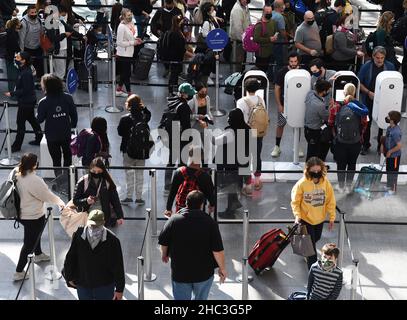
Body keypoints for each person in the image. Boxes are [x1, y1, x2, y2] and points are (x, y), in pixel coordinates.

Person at [159, 190, 226, 300]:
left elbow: (164, 242)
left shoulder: (174, 220)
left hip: (180, 273)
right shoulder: (210, 222)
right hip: (204, 274)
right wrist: (222, 268)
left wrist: (164, 254)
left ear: (186, 202)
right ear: (202, 204)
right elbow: (217, 250)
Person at [12, 153, 65, 281]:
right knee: (28, 244)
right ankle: (19, 271)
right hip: (33, 215)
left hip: (21, 213)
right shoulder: (34, 180)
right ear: (34, 165)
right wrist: (61, 202)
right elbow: (46, 195)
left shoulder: (16, 172)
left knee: (35, 234)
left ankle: (38, 254)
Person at [63, 209, 125, 300]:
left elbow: (118, 266)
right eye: (92, 225)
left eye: (97, 225)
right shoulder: (78, 235)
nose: (94, 227)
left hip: (104, 286)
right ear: (87, 221)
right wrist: (69, 277)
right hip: (83, 285)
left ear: (103, 222)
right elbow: (71, 257)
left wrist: (119, 289)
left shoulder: (113, 240)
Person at [291, 157, 336, 270]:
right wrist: (297, 216)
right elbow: (295, 202)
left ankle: (306, 251)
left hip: (320, 219)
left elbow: (330, 200)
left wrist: (332, 217)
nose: (316, 173)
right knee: (312, 251)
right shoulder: (302, 184)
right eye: (313, 171)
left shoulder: (326, 183)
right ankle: (314, 272)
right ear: (308, 170)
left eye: (318, 170)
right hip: (305, 220)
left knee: (316, 238)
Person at [328, 83, 368, 192]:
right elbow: (365, 123)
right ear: (354, 92)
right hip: (356, 142)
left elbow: (330, 123)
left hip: (340, 142)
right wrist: (360, 135)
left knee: (341, 164)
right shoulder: (359, 107)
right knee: (352, 164)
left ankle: (341, 186)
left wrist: (335, 135)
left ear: (344, 92)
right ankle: (349, 186)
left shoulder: (337, 106)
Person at [37, 74, 77, 176]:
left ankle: (59, 181)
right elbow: (74, 115)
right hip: (66, 133)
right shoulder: (68, 97)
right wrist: (71, 127)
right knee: (68, 157)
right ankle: (67, 179)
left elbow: (39, 120)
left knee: (56, 160)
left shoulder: (43, 102)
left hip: (52, 135)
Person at [358, 46, 395, 155]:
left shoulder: (390, 66)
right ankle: (365, 144)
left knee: (383, 123)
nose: (379, 60)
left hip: (384, 100)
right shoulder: (366, 67)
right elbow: (359, 83)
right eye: (377, 57)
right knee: (366, 123)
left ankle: (381, 146)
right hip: (369, 98)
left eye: (382, 58)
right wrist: (369, 92)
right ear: (373, 57)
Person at [214, 108, 251, 216]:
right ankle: (234, 204)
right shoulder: (247, 129)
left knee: (230, 186)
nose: (228, 118)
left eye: (230, 117)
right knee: (235, 185)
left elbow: (216, 141)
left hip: (230, 164)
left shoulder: (231, 133)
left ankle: (230, 211)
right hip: (241, 163)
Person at [4, 51, 43, 152]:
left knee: (20, 123)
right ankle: (39, 138)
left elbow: (26, 89)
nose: (15, 59)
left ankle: (16, 146)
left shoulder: (25, 73)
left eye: (17, 57)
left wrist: (12, 93)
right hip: (28, 100)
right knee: (32, 120)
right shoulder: (23, 70)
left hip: (26, 102)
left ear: (23, 60)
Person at [117, 94, 152, 205]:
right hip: (141, 151)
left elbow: (120, 133)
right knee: (140, 175)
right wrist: (143, 108)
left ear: (129, 105)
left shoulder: (125, 118)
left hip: (128, 150)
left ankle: (128, 196)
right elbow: (149, 114)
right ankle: (139, 197)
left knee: (129, 175)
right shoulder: (144, 117)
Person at [159, 83, 193, 192]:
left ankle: (167, 185)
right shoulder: (184, 107)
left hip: (172, 136)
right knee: (182, 164)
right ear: (185, 95)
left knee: (171, 161)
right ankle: (180, 185)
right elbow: (186, 125)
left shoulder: (172, 102)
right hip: (182, 138)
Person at [73, 157, 124, 228]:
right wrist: (86, 201)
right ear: (90, 169)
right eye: (94, 171)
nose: (96, 174)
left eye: (99, 172)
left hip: (104, 218)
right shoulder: (83, 181)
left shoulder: (107, 182)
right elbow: (75, 201)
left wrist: (119, 216)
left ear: (103, 170)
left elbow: (115, 200)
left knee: (103, 237)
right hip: (87, 217)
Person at [165, 147, 215, 217]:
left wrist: (168, 208)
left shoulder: (179, 172)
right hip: (198, 214)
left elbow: (172, 192)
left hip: (180, 212)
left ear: (189, 156)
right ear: (202, 158)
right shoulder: (205, 176)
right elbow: (210, 194)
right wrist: (212, 204)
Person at [271, 51, 304, 158]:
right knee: (280, 125)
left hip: (298, 104)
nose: (293, 63)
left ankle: (297, 146)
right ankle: (277, 146)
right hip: (284, 104)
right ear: (288, 61)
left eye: (295, 61)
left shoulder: (303, 72)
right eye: (291, 61)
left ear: (298, 61)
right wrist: (279, 104)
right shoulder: (282, 72)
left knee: (297, 125)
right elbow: (277, 88)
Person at [237, 78, 267, 191]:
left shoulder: (241, 101)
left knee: (245, 157)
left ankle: (248, 184)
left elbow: (239, 118)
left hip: (245, 132)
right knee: (257, 156)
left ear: (245, 88)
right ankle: (257, 181)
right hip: (258, 132)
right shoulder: (261, 100)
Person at [46, 4, 84, 79]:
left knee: (61, 70)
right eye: (62, 14)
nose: (63, 15)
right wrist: (64, 35)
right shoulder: (50, 24)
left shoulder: (60, 21)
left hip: (65, 49)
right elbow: (53, 38)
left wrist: (81, 36)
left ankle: (57, 86)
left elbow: (70, 30)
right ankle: (57, 87)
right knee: (60, 72)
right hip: (58, 50)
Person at [115, 8, 143, 97]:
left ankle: (119, 89)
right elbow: (119, 42)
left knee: (125, 73)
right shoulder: (121, 27)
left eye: (131, 15)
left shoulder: (131, 24)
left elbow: (129, 37)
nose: (130, 17)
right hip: (123, 54)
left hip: (129, 52)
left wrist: (135, 39)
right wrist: (133, 43)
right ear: (123, 16)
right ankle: (129, 92)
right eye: (128, 16)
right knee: (127, 73)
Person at [304, 79, 331, 161]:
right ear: (323, 91)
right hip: (315, 132)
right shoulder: (320, 105)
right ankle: (312, 170)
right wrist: (330, 107)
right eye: (328, 90)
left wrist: (328, 81)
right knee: (313, 152)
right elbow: (327, 118)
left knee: (312, 150)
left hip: (307, 129)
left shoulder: (310, 94)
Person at [188, 82, 214, 163]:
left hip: (204, 125)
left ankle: (205, 163)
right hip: (194, 126)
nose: (204, 94)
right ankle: (195, 163)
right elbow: (188, 116)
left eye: (205, 92)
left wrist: (210, 117)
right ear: (197, 91)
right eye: (202, 92)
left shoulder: (207, 98)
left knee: (207, 145)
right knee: (196, 146)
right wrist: (198, 117)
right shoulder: (192, 101)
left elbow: (208, 111)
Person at [19, 5, 44, 80]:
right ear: (28, 12)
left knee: (39, 66)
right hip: (27, 48)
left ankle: (39, 81)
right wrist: (21, 53)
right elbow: (21, 38)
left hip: (38, 47)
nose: (34, 14)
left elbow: (42, 33)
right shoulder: (23, 22)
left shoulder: (39, 20)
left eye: (35, 12)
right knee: (28, 68)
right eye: (32, 12)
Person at [381, 111, 402, 195]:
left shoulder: (396, 132)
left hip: (394, 156)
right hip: (389, 155)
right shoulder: (389, 128)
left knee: (393, 172)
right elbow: (386, 138)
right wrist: (382, 145)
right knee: (388, 170)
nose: (387, 118)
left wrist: (390, 151)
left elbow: (399, 146)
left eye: (388, 117)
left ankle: (393, 189)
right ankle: (389, 186)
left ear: (393, 120)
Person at [253, 4, 278, 73]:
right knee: (260, 71)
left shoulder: (272, 22)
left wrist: (275, 36)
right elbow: (256, 39)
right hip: (261, 53)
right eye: (267, 12)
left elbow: (275, 31)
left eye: (270, 12)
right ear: (263, 12)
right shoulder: (259, 25)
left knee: (266, 69)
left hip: (270, 51)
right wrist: (269, 39)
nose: (269, 14)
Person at [229, 0, 251, 72]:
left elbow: (248, 21)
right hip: (238, 41)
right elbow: (237, 28)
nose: (246, 1)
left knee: (241, 60)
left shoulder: (244, 7)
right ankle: (235, 79)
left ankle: (239, 75)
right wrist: (243, 40)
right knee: (237, 61)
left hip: (242, 39)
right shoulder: (237, 9)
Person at [4, 18, 21, 93]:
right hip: (12, 57)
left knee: (10, 75)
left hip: (7, 56)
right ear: (16, 25)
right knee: (13, 75)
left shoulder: (8, 32)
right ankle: (13, 93)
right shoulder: (13, 34)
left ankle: (11, 91)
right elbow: (15, 46)